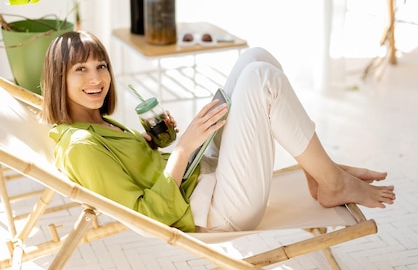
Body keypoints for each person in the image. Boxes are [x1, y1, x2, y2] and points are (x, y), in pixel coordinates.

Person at [41, 31, 395, 233]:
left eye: (101, 65)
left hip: (203, 175)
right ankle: (330, 180)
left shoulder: (93, 120)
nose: (96, 78)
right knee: (262, 80)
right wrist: (182, 150)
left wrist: (154, 146)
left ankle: (318, 173)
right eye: (80, 69)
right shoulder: (80, 147)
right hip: (215, 209)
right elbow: (147, 217)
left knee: (256, 58)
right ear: (59, 78)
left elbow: (137, 171)